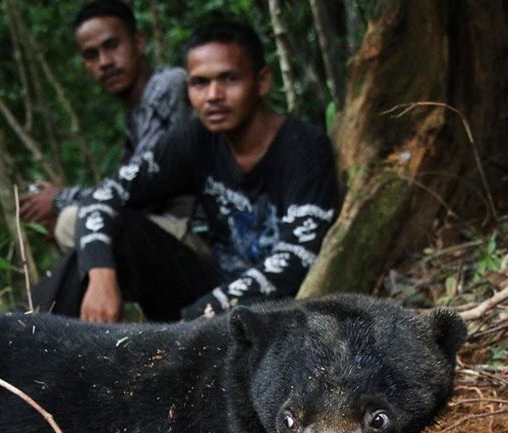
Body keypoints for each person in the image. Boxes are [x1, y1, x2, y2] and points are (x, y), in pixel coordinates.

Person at [33, 18, 341, 323]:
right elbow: (104, 196)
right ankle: (23, 334)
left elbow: (296, 259)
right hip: (209, 291)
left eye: (229, 79)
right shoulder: (195, 140)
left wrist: (197, 318)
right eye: (199, 83)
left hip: (278, 313)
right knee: (115, 234)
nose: (213, 96)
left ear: (261, 81)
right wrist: (100, 275)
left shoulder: (305, 148)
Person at [19, 0, 193, 251]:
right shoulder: (136, 116)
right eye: (91, 55)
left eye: (112, 46)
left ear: (139, 42)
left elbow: (143, 184)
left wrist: (61, 199)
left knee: (74, 222)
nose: (104, 62)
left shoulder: (167, 86)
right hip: (166, 235)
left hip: (197, 234)